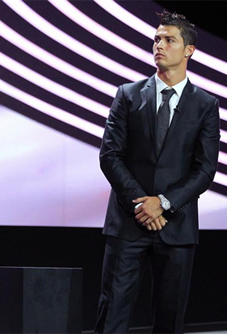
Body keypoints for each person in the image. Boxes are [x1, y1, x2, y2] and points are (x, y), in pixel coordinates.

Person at [95, 9, 220, 333]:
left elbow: (205, 169)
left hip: (176, 227)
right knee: (112, 318)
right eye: (156, 39)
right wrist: (142, 202)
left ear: (189, 50)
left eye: (169, 39)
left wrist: (163, 202)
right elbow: (110, 155)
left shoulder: (205, 105)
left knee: (169, 321)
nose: (159, 45)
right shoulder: (127, 94)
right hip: (127, 223)